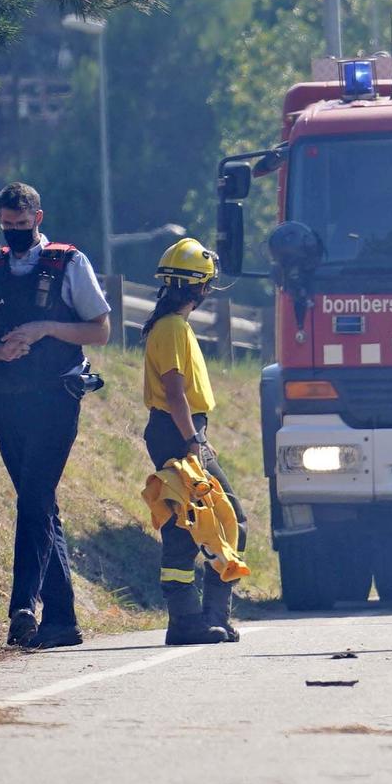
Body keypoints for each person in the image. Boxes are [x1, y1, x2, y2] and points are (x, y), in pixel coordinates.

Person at [0, 181, 112, 650]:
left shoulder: (69, 262)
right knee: (39, 503)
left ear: (38, 219)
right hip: (6, 400)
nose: (15, 234)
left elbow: (100, 330)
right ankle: (61, 621)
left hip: (56, 398)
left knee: (34, 498)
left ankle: (22, 606)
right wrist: (1, 351)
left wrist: (46, 328)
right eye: (7, 226)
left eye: (22, 226)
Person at [141, 238, 244, 645]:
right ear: (201, 288)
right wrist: (194, 441)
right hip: (177, 430)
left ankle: (202, 619)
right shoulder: (171, 328)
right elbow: (175, 392)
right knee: (222, 517)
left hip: (180, 429)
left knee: (197, 520)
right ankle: (197, 618)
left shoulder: (172, 326)